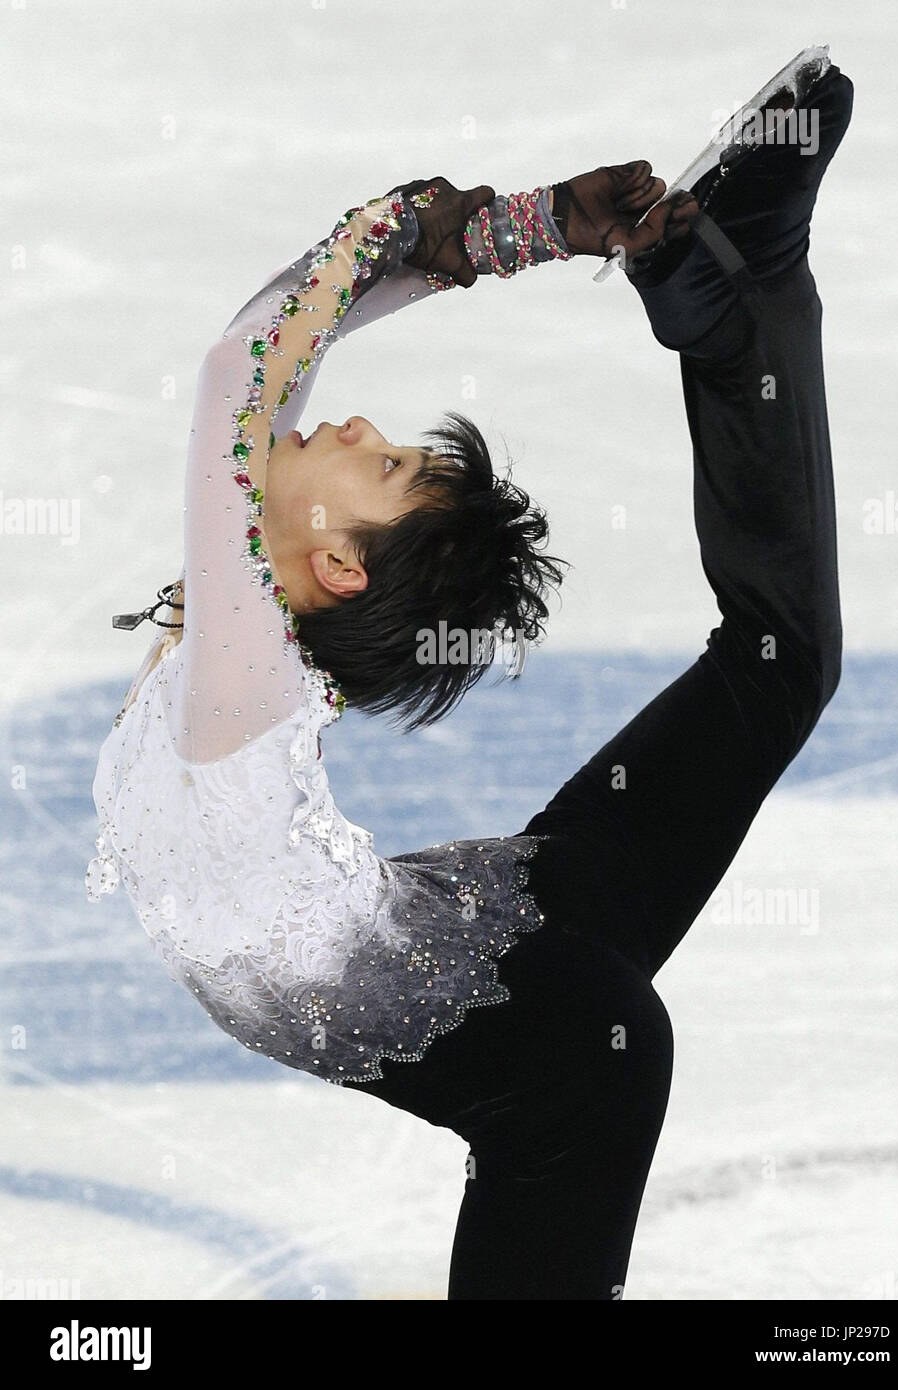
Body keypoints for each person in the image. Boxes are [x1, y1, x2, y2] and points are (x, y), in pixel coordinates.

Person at [87, 51, 853, 1300]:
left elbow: (245, 369)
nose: (346, 425)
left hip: (546, 1044)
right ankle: (738, 293)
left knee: (776, 668)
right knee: (778, 663)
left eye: (374, 461)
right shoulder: (251, 653)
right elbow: (274, 363)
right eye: (389, 454)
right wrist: (525, 225)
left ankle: (744, 284)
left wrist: (464, 225)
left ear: (334, 562)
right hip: (495, 959)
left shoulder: (245, 662)